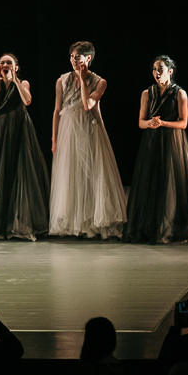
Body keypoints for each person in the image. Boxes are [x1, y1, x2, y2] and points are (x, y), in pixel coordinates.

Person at [123, 56, 188, 243]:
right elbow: (140, 122)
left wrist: (163, 123)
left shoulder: (180, 93)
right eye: (154, 69)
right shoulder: (147, 93)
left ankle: (172, 226)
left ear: (170, 71)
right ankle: (151, 226)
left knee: (171, 183)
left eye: (161, 69)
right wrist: (150, 123)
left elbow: (183, 123)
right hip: (152, 142)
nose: (157, 73)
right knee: (152, 183)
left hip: (172, 142)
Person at [49, 41, 127, 238]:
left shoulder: (100, 82)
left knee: (92, 173)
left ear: (88, 58)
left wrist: (83, 80)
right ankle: (75, 224)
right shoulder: (62, 80)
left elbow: (87, 105)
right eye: (72, 56)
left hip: (90, 129)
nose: (74, 60)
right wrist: (54, 139)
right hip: (68, 131)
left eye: (78, 57)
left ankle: (93, 223)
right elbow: (57, 110)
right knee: (72, 174)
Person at [0, 53, 50, 240]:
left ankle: (21, 224)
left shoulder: (23, 83)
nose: (5, 64)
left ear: (16, 67)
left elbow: (27, 100)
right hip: (0, 132)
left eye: (9, 62)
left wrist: (14, 80)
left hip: (19, 131)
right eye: (2, 62)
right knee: (0, 175)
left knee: (21, 174)